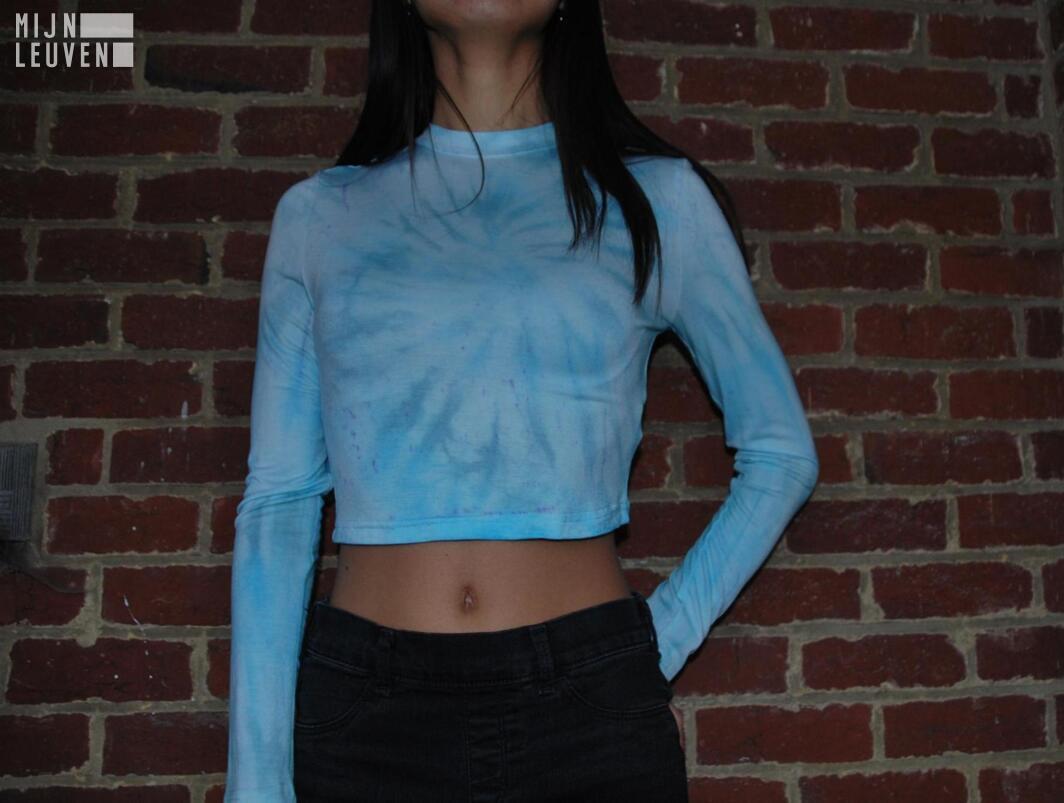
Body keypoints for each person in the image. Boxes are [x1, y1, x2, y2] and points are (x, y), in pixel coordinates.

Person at [223, 0, 819, 800]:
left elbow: (781, 453)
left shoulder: (658, 202)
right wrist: (257, 778)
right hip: (367, 727)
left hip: (590, 723)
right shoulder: (321, 216)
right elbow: (281, 499)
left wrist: (654, 640)